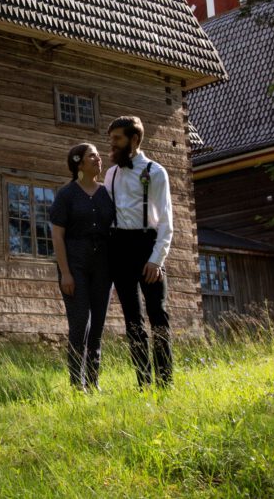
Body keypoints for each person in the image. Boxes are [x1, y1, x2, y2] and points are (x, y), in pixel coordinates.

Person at [104, 115, 174, 387]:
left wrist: (157, 260)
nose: (112, 145)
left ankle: (165, 382)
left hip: (147, 245)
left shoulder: (155, 172)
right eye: (111, 140)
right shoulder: (110, 174)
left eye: (117, 139)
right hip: (119, 248)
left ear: (134, 140)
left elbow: (167, 222)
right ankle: (143, 382)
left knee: (158, 316)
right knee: (132, 319)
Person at [49, 143, 115, 391]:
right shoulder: (66, 195)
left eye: (98, 155)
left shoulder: (108, 193)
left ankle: (94, 382)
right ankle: (78, 384)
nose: (98, 159)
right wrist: (65, 272)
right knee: (80, 324)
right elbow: (57, 236)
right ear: (79, 163)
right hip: (74, 264)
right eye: (92, 156)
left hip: (103, 267)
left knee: (97, 325)